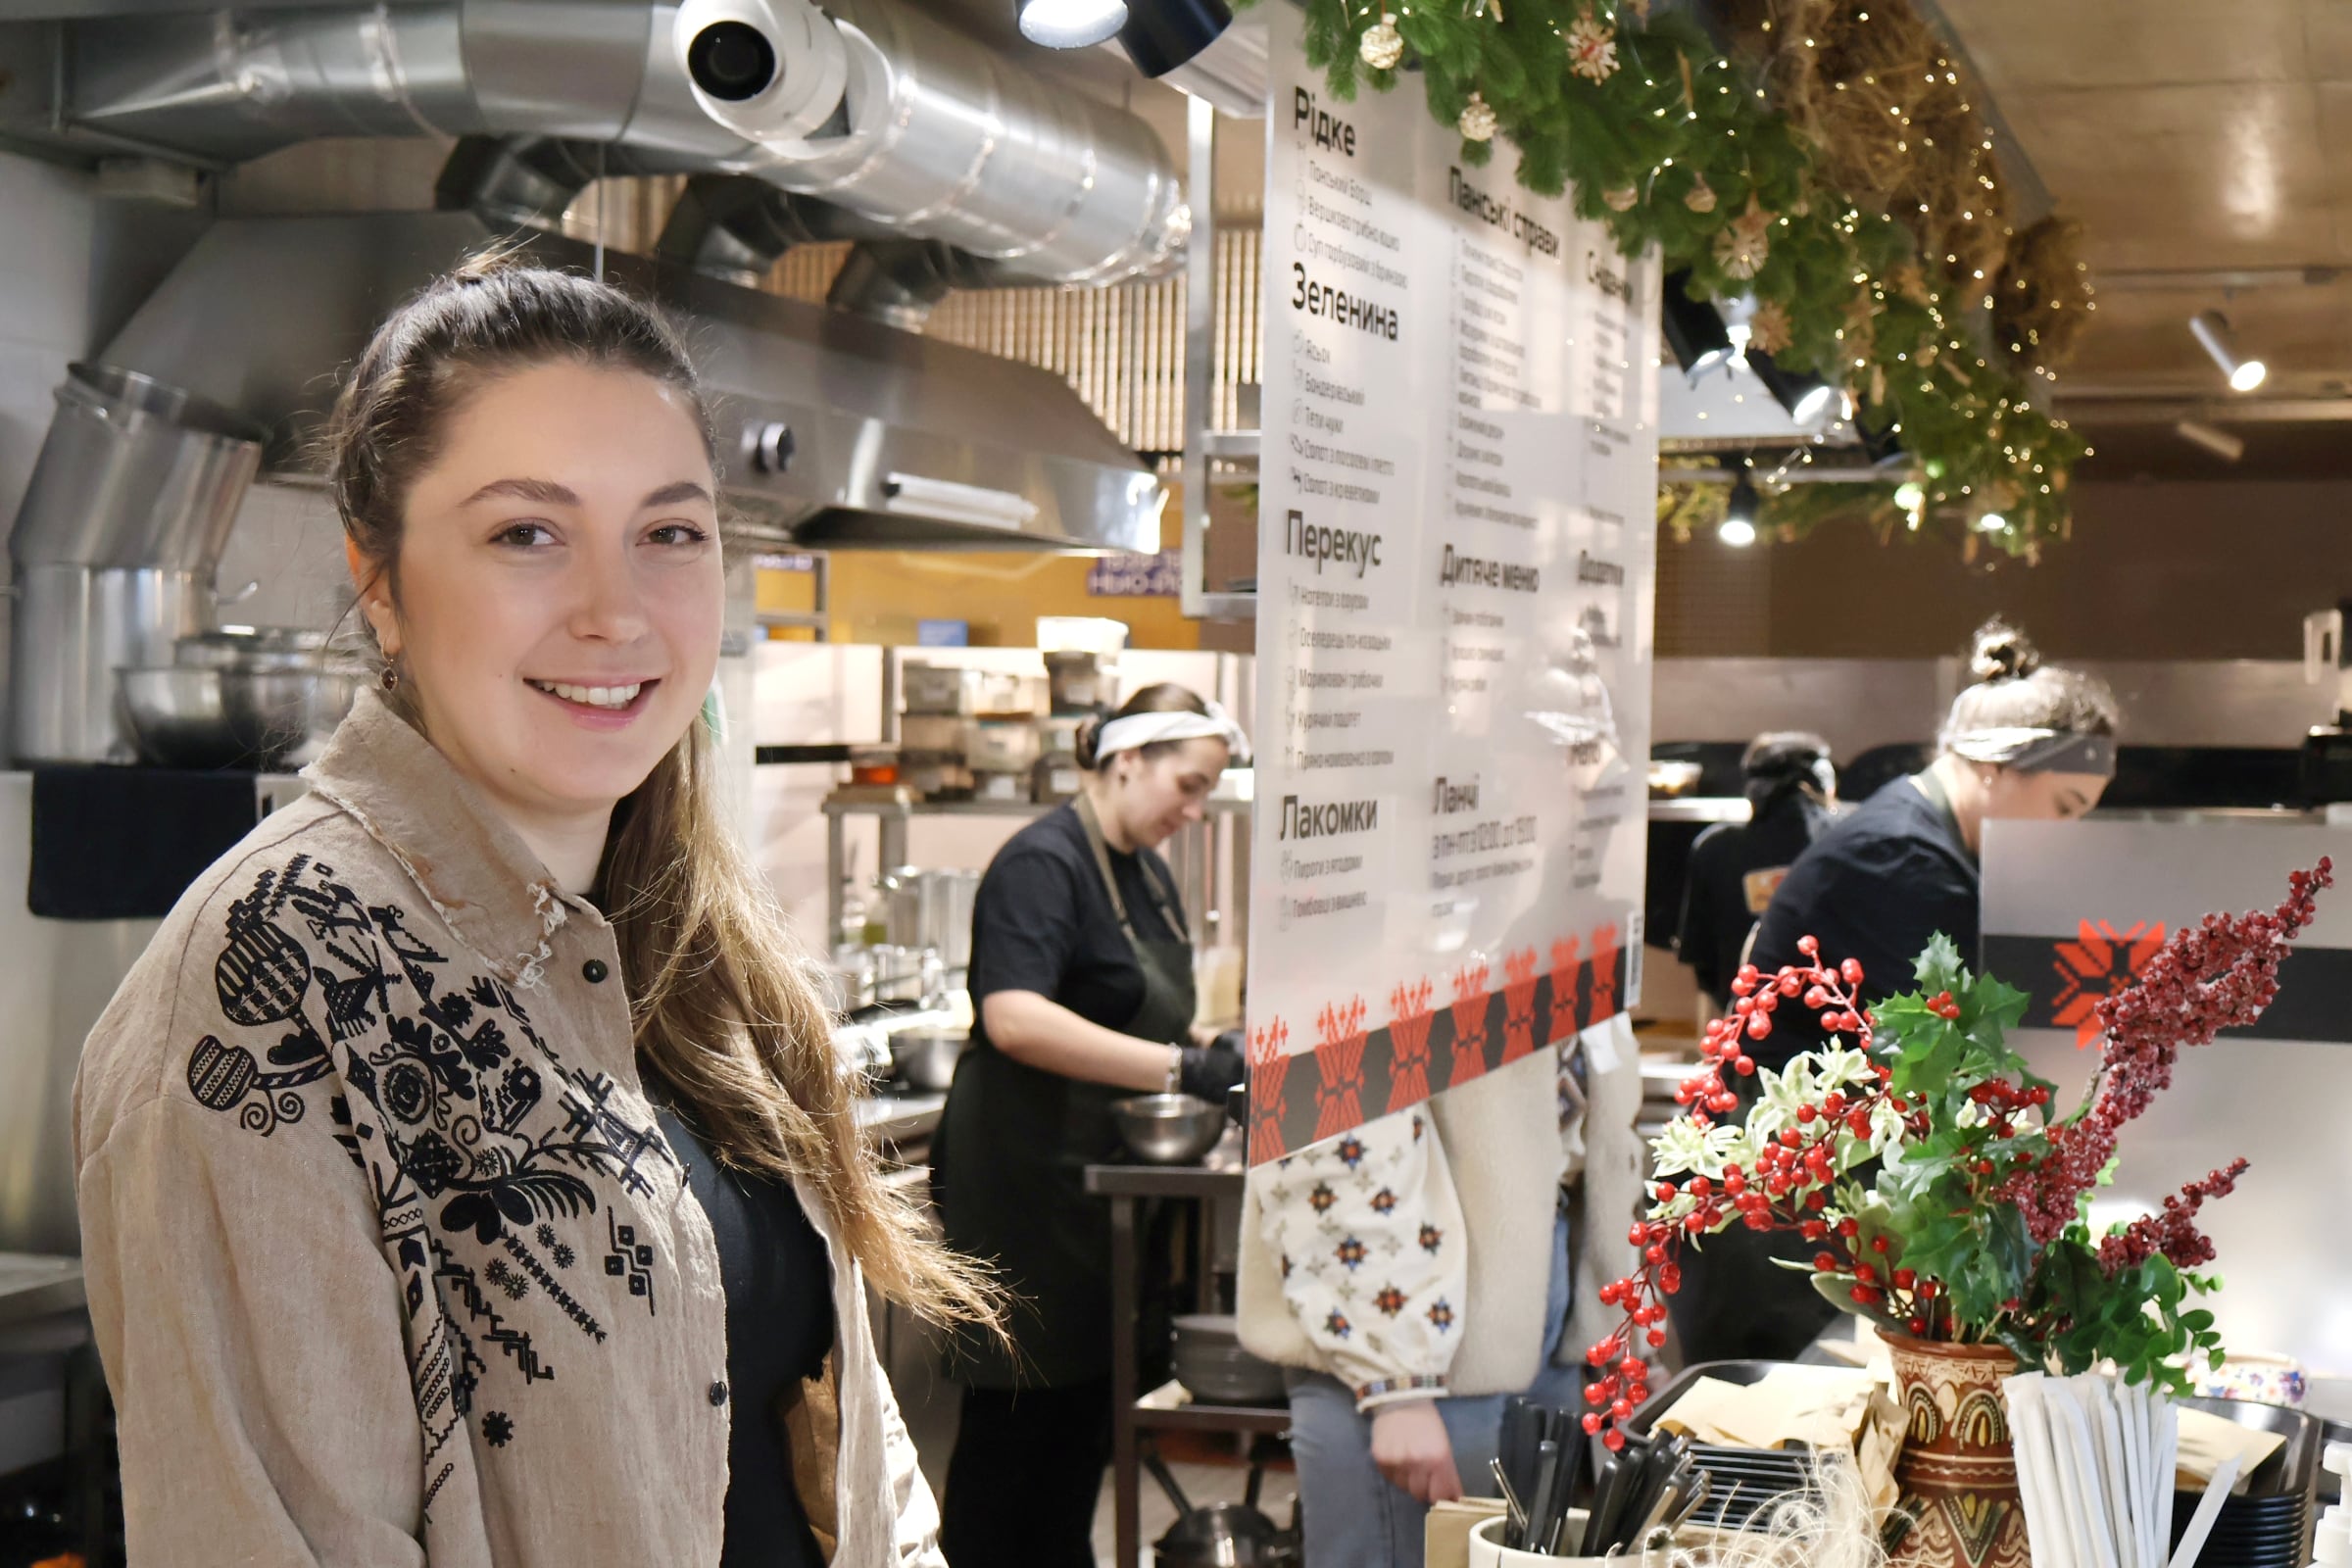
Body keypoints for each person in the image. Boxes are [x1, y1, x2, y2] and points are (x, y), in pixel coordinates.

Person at [73, 259, 994, 1567]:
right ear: (379, 581)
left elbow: (839, 1438)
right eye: (526, 533)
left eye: (669, 532)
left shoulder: (688, 941)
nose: (616, 611)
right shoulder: (275, 978)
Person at [1672, 618, 2119, 1363]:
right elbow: (1951, 1074)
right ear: (1995, 767)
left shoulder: (1920, 839)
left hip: (1801, 1216)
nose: (2066, 834)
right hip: (1769, 1237)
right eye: (2066, 806)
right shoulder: (1904, 862)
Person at [933, 684, 1250, 1568]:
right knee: (1015, 1424)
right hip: (1024, 1183)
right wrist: (1186, 1070)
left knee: (1082, 1423)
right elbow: (1015, 1018)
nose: (1193, 811)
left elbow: (1136, 1007)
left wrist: (1214, 1044)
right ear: (1125, 763)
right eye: (1187, 787)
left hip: (1100, 1184)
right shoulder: (1044, 864)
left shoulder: (1143, 870)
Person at [1235, 1015, 1645, 1568]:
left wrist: (1619, 1323)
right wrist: (1394, 1376)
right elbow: (1330, 1081)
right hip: (1411, 1323)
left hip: (1542, 1282)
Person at [1674, 732, 1839, 1019]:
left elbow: (1702, 962)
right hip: (1839, 1019)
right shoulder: (1852, 842)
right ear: (1821, 782)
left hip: (1749, 1021)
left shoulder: (1714, 849)